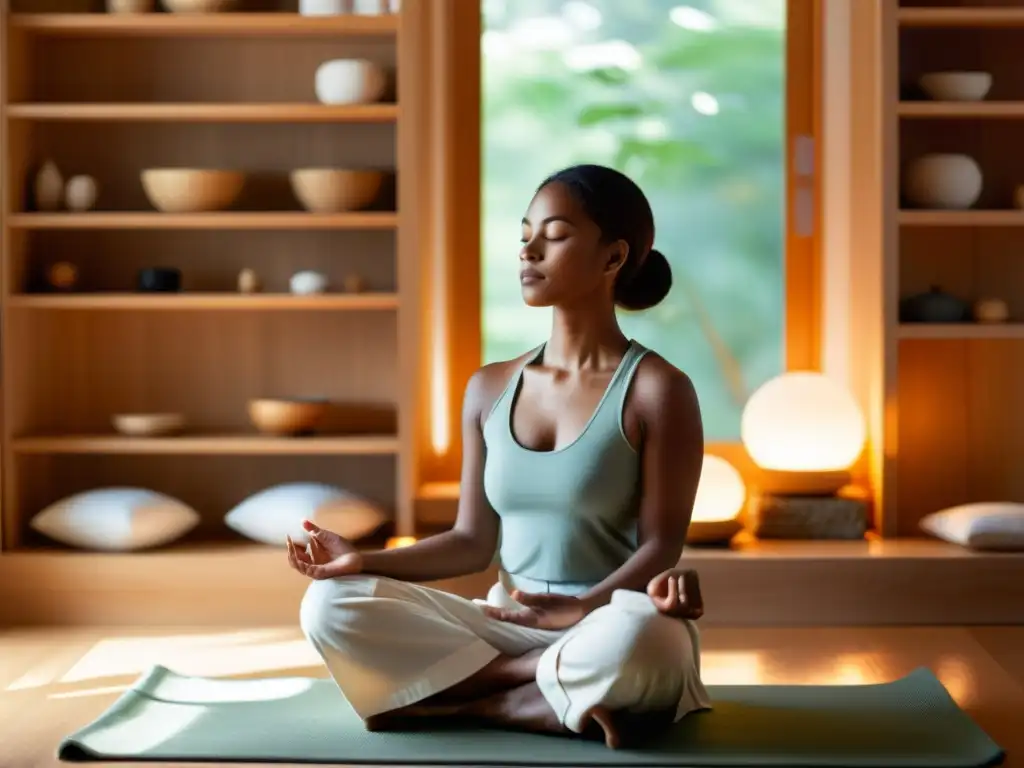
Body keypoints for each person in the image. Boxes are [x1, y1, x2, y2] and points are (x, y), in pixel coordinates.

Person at [287, 163, 711, 749]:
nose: (528, 250)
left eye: (555, 235)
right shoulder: (488, 387)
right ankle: (538, 697)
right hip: (504, 626)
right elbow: (470, 541)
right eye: (524, 235)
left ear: (613, 258)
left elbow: (661, 546)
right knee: (329, 604)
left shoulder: (658, 390)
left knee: (642, 643)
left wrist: (582, 607)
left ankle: (455, 701)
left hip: (607, 621)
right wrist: (361, 562)